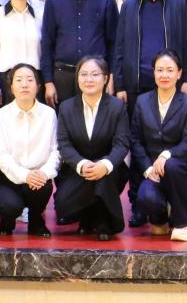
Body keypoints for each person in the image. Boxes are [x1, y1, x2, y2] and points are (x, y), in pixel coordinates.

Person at [113, 0, 187, 228]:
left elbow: (186, 44)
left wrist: (185, 79)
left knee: (171, 140)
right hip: (138, 85)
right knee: (139, 144)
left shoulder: (177, 4)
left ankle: (172, 197)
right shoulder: (130, 5)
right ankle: (138, 203)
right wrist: (120, 83)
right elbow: (119, 46)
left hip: (170, 82)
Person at [54, 57, 130, 240]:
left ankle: (104, 221)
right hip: (77, 169)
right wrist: (81, 164)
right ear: (77, 78)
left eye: (95, 74)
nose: (89, 79)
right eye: (84, 74)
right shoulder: (66, 107)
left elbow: (122, 144)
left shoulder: (117, 107)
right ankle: (87, 216)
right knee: (62, 204)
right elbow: (64, 143)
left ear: (105, 79)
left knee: (103, 179)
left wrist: (105, 165)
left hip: (109, 171)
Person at [130, 50, 187, 241]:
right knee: (146, 198)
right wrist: (148, 169)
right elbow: (135, 140)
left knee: (172, 165)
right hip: (153, 171)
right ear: (153, 72)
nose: (164, 75)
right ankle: (163, 215)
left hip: (181, 169)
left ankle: (183, 223)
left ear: (179, 73)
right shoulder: (142, 101)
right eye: (160, 70)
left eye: (170, 70)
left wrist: (166, 155)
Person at [40, 0, 119, 106]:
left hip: (96, 76)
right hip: (63, 77)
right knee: (64, 120)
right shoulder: (54, 0)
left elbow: (114, 43)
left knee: (97, 121)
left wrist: (111, 77)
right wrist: (48, 82)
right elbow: (47, 43)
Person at [0, 63, 59, 237]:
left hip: (38, 176)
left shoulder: (49, 114)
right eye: (19, 80)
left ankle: (36, 221)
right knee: (9, 206)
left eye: (30, 80)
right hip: (7, 177)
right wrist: (25, 175)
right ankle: (7, 220)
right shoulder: (1, 115)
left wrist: (44, 173)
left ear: (38, 87)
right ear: (11, 87)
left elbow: (56, 151)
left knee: (43, 186)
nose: (24, 84)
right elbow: (1, 155)